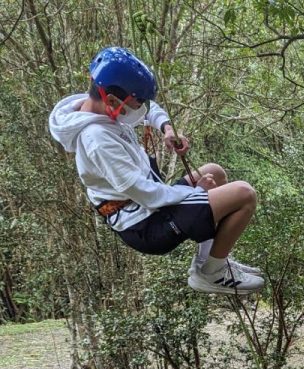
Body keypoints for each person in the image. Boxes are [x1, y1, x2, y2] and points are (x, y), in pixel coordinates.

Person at [49, 47, 263, 295]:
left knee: (214, 172)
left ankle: (211, 261)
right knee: (244, 194)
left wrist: (167, 129)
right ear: (111, 101)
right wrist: (198, 194)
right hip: (145, 225)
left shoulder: (98, 106)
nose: (141, 108)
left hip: (150, 204)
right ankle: (211, 274)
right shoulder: (96, 138)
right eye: (136, 102)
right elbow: (144, 192)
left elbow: (148, 111)